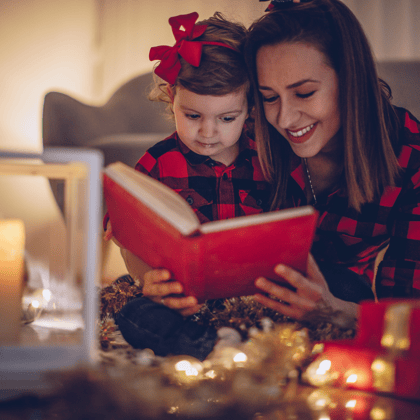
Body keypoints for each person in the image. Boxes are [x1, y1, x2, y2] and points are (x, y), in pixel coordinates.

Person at [241, 0, 420, 327]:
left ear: (352, 80)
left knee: (341, 284)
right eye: (269, 97)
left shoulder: (410, 155)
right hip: (248, 303)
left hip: (344, 301)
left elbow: (408, 314)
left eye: (305, 93)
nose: (284, 118)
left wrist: (336, 311)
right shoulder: (247, 135)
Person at [104, 11, 271, 359]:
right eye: (193, 115)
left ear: (249, 107)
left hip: (254, 299)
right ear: (171, 97)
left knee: (292, 312)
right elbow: (129, 239)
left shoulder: (267, 160)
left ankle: (256, 341)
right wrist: (147, 279)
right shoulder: (158, 162)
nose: (208, 133)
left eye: (227, 118)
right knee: (132, 313)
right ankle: (212, 347)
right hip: (183, 301)